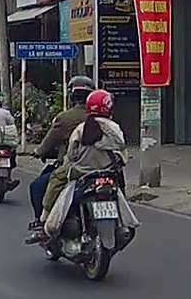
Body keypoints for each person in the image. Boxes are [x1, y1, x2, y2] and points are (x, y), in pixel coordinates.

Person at [28, 89, 126, 242]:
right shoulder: (115, 128)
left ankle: (44, 219)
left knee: (56, 179)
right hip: (108, 171)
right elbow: (122, 150)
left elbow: (71, 153)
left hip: (82, 171)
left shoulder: (76, 125)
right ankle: (122, 217)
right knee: (120, 184)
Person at [26, 76, 94, 236]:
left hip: (75, 166)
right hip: (104, 167)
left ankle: (42, 222)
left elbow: (48, 142)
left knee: (38, 186)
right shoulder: (105, 120)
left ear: (72, 96)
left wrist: (38, 152)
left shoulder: (65, 118)